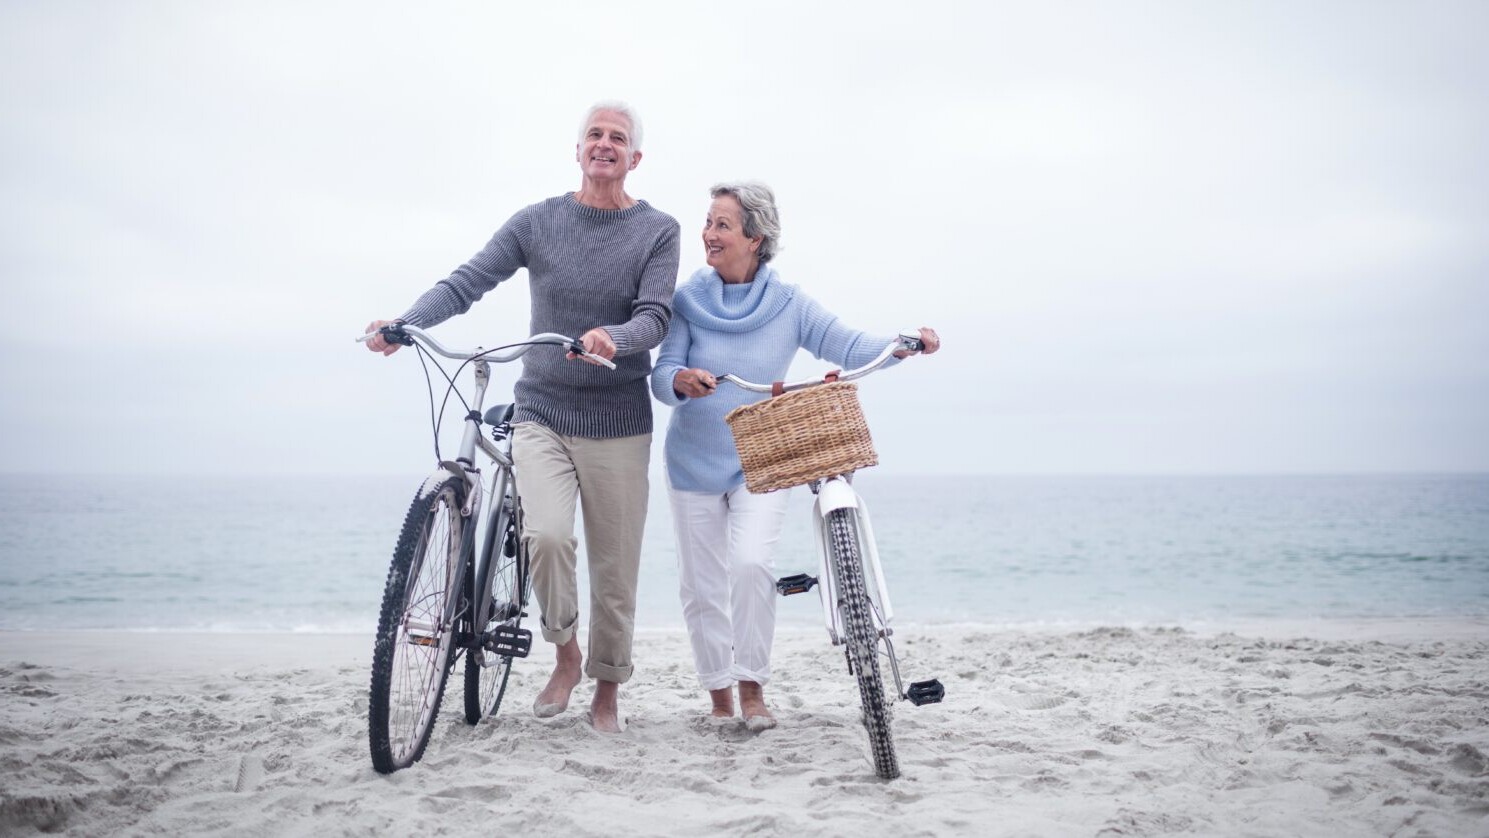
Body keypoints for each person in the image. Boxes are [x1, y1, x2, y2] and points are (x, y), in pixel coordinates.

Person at [365, 101, 681, 733]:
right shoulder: (539, 221)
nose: (604, 144)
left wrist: (612, 339)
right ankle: (565, 654)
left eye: (618, 138)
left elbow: (655, 316)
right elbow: (469, 280)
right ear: (577, 149)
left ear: (635, 158)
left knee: (615, 571)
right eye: (594, 134)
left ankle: (606, 694)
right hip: (543, 409)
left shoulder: (659, 231)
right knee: (547, 538)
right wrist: (407, 322)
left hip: (619, 420)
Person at [649, 182, 939, 730]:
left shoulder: (788, 303)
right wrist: (682, 381)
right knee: (701, 584)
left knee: (753, 564)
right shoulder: (686, 301)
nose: (709, 234)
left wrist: (902, 345)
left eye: (723, 225)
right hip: (692, 462)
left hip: (763, 461)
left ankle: (752, 687)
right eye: (708, 222)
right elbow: (662, 375)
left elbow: (849, 346)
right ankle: (718, 695)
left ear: (755, 238)